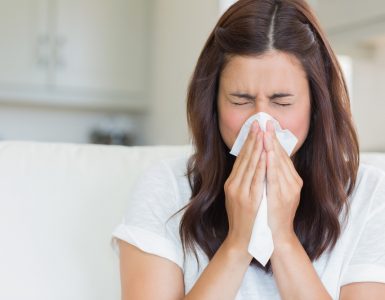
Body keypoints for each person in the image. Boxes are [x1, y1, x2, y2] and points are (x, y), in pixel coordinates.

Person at [110, 0, 385, 299]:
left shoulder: (369, 196)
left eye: (282, 102)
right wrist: (238, 242)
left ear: (316, 105)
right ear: (212, 103)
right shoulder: (165, 187)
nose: (261, 123)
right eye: (241, 100)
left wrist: (282, 239)